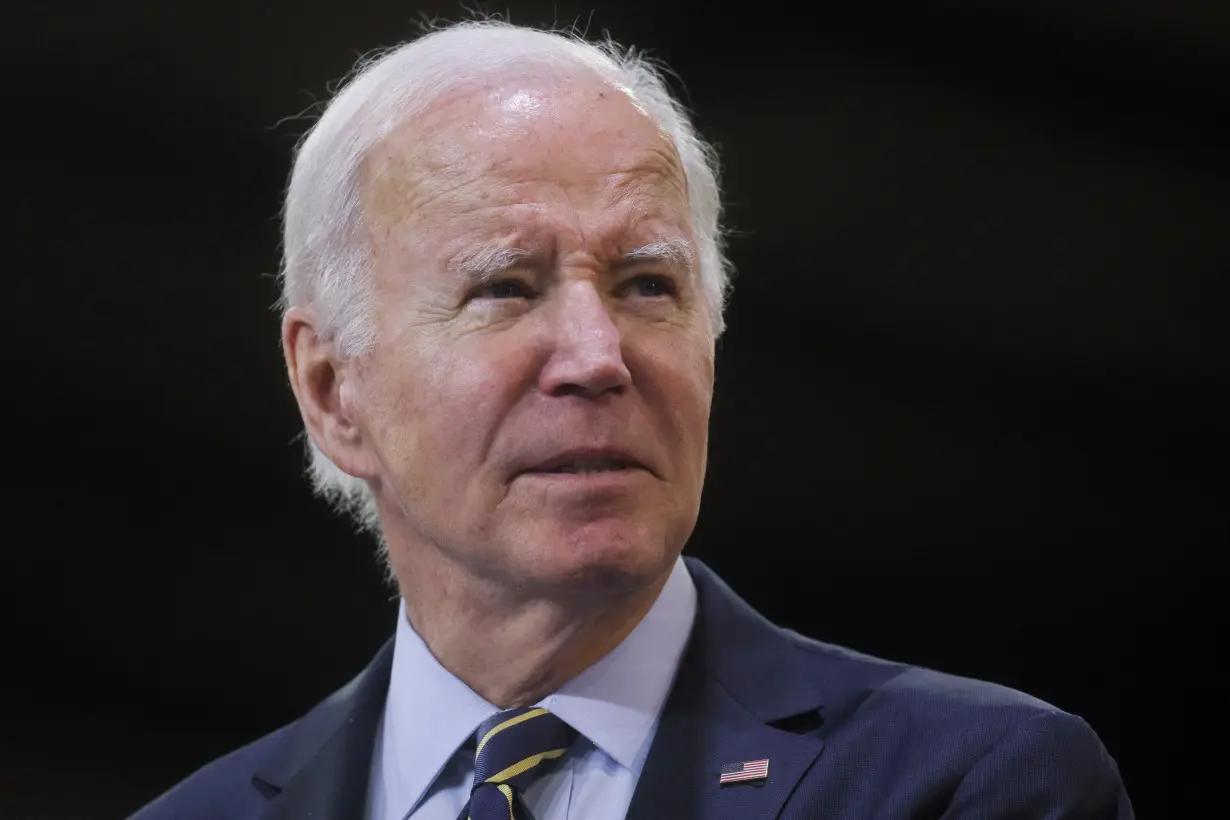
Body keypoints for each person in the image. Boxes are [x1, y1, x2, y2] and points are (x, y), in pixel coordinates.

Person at [131, 19, 1133, 820]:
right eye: (506, 288)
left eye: (648, 284)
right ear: (331, 389)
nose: (599, 355)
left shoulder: (966, 784)